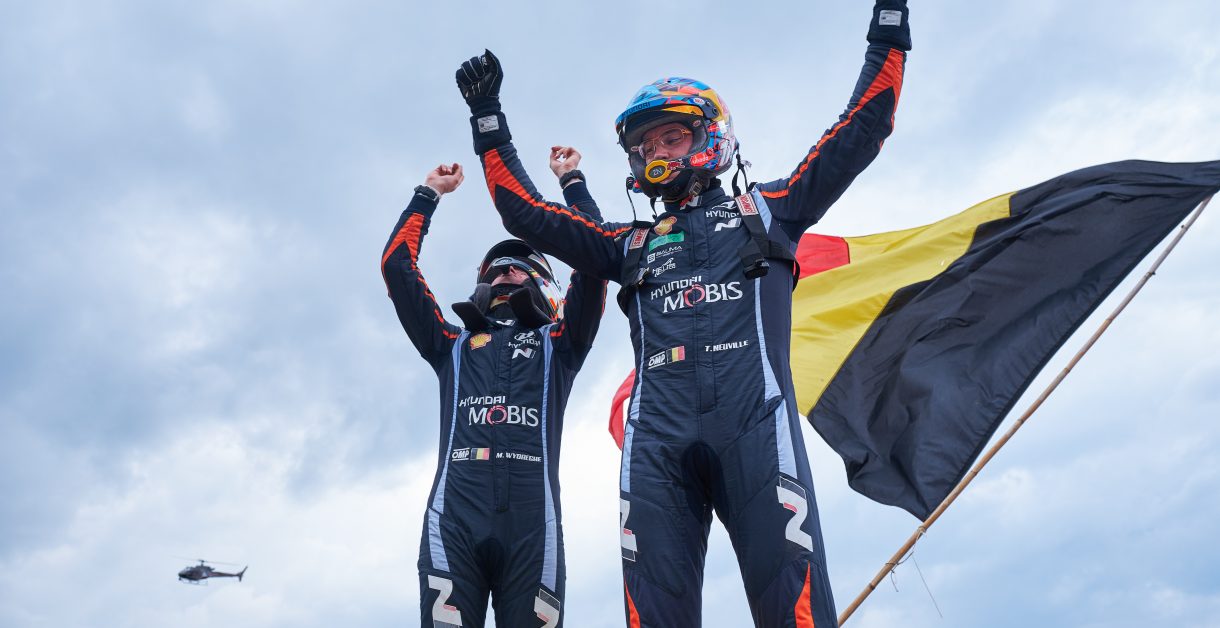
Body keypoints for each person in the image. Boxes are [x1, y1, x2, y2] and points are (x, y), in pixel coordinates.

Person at [455, 2, 910, 626]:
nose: (657, 151)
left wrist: (889, 24)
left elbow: (863, 128)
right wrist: (489, 122)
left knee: (795, 611)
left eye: (671, 136)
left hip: (756, 428)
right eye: (645, 145)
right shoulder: (629, 244)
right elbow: (526, 215)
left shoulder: (767, 210)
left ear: (709, 135)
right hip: (657, 449)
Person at [381, 156, 606, 627]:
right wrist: (428, 195)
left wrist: (572, 184)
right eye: (496, 269)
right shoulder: (450, 344)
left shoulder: (562, 343)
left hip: (533, 528)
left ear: (545, 284)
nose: (506, 271)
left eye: (520, 267)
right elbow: (397, 267)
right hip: (453, 523)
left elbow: (594, 257)